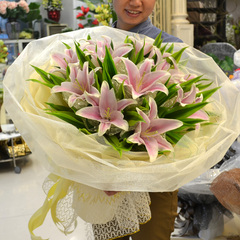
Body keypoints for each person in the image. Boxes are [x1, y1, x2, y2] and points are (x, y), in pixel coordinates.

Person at [104, 1, 183, 240]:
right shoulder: (93, 44)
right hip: (104, 181)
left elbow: (183, 122)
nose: (136, 2)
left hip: (155, 180)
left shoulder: (171, 47)